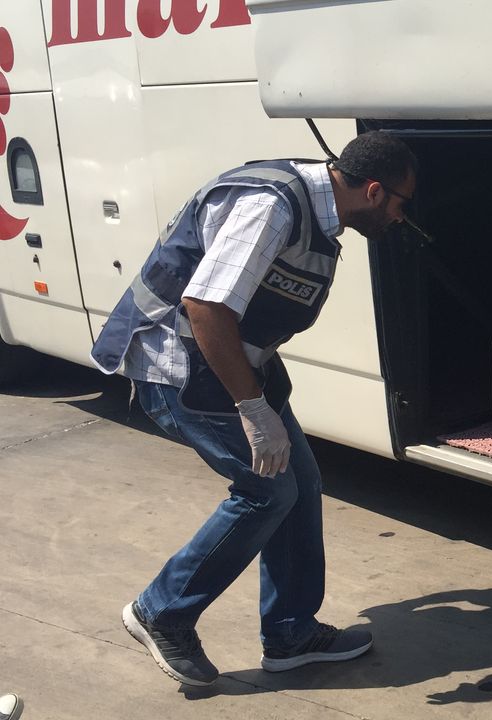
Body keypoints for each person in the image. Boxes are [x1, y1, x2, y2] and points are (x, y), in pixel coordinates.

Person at [90, 131, 418, 686]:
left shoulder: (317, 209)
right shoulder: (274, 207)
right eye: (402, 204)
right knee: (268, 492)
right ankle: (161, 612)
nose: (401, 218)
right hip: (178, 364)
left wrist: (258, 397)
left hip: (227, 363)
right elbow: (206, 306)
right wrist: (254, 409)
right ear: (374, 190)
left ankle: (290, 633)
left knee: (301, 483)